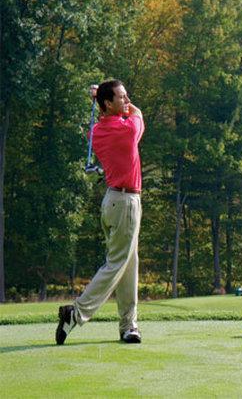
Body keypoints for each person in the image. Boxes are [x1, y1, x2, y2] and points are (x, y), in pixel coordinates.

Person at [56, 79, 145, 345]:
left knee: (129, 265)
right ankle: (77, 312)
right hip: (126, 203)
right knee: (117, 264)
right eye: (122, 97)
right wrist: (122, 105)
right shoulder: (126, 130)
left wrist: (106, 102)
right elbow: (138, 114)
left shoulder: (96, 131)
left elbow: (122, 111)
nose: (127, 101)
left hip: (112, 202)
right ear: (108, 103)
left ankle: (128, 326)